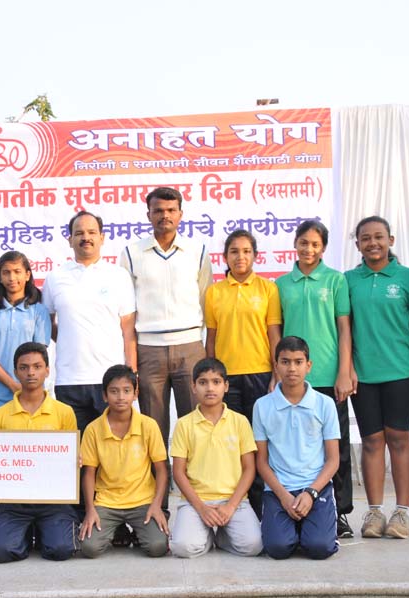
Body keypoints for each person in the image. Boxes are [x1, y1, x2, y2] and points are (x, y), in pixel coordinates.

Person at [119, 187, 212, 513]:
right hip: (149, 349)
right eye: (158, 210)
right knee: (154, 430)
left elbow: (205, 299)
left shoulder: (198, 251)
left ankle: (195, 502)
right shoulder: (131, 253)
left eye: (171, 210)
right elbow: (126, 311)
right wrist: (130, 360)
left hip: (190, 347)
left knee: (194, 425)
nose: (165, 216)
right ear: (148, 215)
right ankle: (158, 505)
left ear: (181, 214)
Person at [345, 216, 409, 539]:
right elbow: (345, 331)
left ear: (391, 239)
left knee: (399, 440)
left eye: (379, 237)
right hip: (363, 376)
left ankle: (402, 514)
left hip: (401, 373)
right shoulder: (348, 280)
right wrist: (348, 369)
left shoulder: (408, 278)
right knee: (371, 441)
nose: (373, 243)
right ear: (357, 244)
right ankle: (375, 512)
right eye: (366, 238)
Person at [275, 220, 355, 538]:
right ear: (294, 244)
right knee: (296, 447)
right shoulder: (281, 284)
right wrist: (275, 373)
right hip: (292, 378)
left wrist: (344, 370)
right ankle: (293, 505)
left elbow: (345, 328)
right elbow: (276, 333)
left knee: (337, 447)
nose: (309, 249)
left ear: (323, 247)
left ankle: (340, 512)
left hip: (327, 377)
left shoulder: (335, 281)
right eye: (303, 243)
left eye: (315, 244)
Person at [204, 229, 281, 517]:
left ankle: (263, 509)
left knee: (259, 444)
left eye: (246, 251)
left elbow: (274, 333)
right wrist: (212, 378)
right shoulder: (214, 292)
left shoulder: (267, 289)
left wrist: (276, 373)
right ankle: (235, 508)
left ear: (255, 256)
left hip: (261, 375)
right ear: (225, 257)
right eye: (234, 251)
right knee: (232, 445)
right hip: (227, 380)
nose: (240, 257)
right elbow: (211, 338)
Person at [43, 210, 137, 432]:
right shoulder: (55, 277)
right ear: (70, 240)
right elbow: (47, 323)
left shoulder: (118, 276)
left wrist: (132, 374)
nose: (86, 237)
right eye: (79, 233)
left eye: (92, 232)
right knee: (75, 454)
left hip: (110, 380)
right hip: (68, 380)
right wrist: (68, 336)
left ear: (102, 238)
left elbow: (128, 330)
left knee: (112, 451)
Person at [0, 342, 79, 563]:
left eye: (37, 366)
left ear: (47, 370)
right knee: (2, 552)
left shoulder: (64, 412)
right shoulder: (0, 415)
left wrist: (74, 460)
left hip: (53, 501)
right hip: (13, 503)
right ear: (16, 371)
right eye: (24, 367)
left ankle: (43, 530)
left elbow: (71, 460)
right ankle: (25, 534)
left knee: (61, 550)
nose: (31, 372)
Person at [254, 336, 340, 560]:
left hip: (315, 487)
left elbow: (333, 460)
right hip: (278, 490)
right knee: (278, 549)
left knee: (319, 548)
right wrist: (282, 495)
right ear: (276, 365)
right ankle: (295, 529)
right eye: (285, 361)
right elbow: (261, 461)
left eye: (298, 361)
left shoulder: (324, 403)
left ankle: (318, 527)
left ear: (308, 366)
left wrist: (311, 493)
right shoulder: (262, 406)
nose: (292, 368)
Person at [169, 358, 263, 558]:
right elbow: (178, 472)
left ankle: (221, 537)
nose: (210, 388)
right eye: (203, 382)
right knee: (182, 547)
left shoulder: (240, 421)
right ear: (193, 387)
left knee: (254, 545)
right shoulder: (184, 424)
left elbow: (249, 468)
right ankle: (206, 536)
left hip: (234, 500)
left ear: (226, 386)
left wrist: (230, 506)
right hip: (196, 501)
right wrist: (201, 508)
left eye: (216, 382)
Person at [78, 365, 168, 558]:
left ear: (135, 394)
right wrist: (90, 509)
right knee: (89, 548)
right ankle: (118, 529)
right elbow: (89, 472)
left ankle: (136, 531)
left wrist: (156, 505)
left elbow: (161, 469)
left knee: (157, 547)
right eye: (114, 391)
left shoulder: (148, 425)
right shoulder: (93, 429)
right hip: (107, 502)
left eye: (127, 391)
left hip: (142, 501)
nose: (120, 397)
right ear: (104, 395)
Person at [0, 251, 52, 423]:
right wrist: (13, 385)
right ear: (0, 277)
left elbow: (40, 355)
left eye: (17, 272)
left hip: (31, 397)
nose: (12, 277)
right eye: (6, 272)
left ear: (27, 275)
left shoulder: (39, 311)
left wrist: (23, 387)